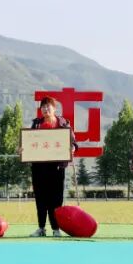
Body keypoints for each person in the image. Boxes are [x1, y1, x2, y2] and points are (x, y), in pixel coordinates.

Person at [27, 97, 77, 237]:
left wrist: (72, 148)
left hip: (57, 168)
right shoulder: (36, 124)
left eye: (48, 106)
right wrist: (23, 149)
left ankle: (56, 228)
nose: (45, 109)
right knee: (40, 198)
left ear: (54, 108)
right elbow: (28, 142)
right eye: (43, 107)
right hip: (39, 167)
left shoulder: (63, 124)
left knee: (56, 199)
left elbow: (73, 142)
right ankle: (41, 228)